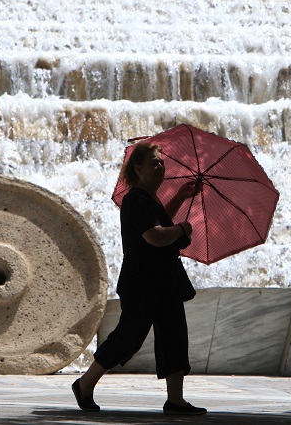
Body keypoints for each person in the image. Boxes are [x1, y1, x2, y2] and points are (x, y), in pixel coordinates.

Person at [71, 141, 207, 416]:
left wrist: (180, 196)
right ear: (138, 168)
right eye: (154, 163)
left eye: (162, 163)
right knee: (128, 338)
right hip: (144, 282)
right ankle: (84, 384)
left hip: (163, 280)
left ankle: (175, 400)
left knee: (174, 335)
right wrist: (182, 229)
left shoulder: (148, 199)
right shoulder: (135, 199)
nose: (160, 168)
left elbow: (159, 220)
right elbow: (155, 235)